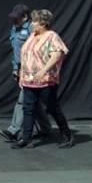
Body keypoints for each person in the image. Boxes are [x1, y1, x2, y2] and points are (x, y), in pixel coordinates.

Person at [12, 9, 74, 149]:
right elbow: (25, 56)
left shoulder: (52, 36)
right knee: (28, 109)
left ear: (43, 23)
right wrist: (22, 75)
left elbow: (57, 55)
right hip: (29, 80)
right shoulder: (32, 36)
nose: (32, 24)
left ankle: (67, 134)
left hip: (46, 80)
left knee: (52, 108)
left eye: (35, 22)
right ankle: (26, 138)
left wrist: (43, 71)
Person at [0, 4, 51, 142]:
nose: (14, 21)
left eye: (17, 18)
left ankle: (13, 130)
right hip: (21, 69)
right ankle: (46, 128)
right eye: (13, 18)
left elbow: (38, 49)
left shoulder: (32, 29)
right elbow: (16, 51)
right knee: (33, 102)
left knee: (22, 101)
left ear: (25, 17)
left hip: (31, 70)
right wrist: (16, 68)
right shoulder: (14, 29)